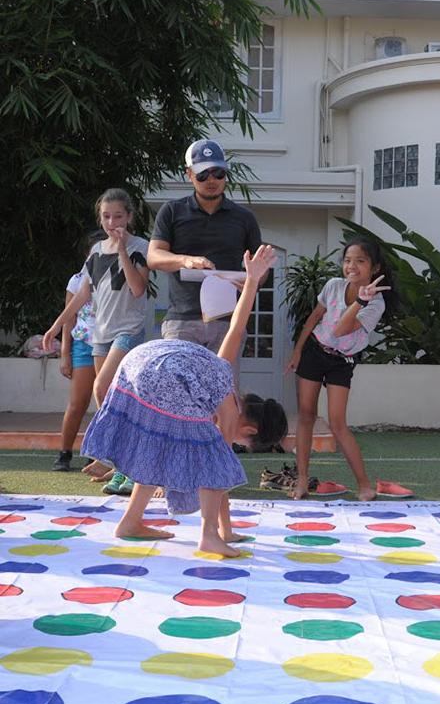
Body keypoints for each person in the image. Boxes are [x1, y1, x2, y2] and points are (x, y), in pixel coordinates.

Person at [78, 245, 287, 557]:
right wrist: (223, 530)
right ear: (252, 431)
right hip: (164, 374)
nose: (238, 445)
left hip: (139, 362)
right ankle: (208, 536)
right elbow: (219, 476)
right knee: (216, 465)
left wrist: (254, 281)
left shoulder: (222, 374)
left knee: (158, 451)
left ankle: (130, 521)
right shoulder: (227, 409)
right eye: (245, 444)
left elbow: (237, 325)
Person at [43, 189, 151, 492]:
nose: (112, 222)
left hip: (128, 331)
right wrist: (55, 327)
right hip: (100, 336)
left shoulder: (141, 246)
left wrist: (121, 251)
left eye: (118, 216)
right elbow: (82, 295)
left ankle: (127, 465)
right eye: (106, 216)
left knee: (102, 387)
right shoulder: (95, 252)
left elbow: (138, 289)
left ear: (129, 216)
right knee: (109, 403)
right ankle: (124, 467)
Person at [286, 236, 398, 502]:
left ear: (375, 268)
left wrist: (361, 300)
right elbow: (314, 318)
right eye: (348, 261)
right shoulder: (334, 285)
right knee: (305, 415)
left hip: (341, 360)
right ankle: (301, 481)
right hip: (315, 350)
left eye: (360, 261)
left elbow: (341, 329)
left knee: (338, 423)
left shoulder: (376, 304)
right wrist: (298, 350)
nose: (352, 267)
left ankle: (364, 485)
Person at [148, 139, 262, 355]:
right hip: (182, 319)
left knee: (223, 388)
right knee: (179, 388)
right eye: (203, 174)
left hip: (227, 320)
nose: (212, 179)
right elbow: (153, 257)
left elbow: (259, 270)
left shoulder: (244, 217)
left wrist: (251, 279)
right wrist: (185, 260)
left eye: (218, 173)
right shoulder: (172, 211)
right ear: (189, 174)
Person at [51, 236, 100, 472]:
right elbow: (69, 317)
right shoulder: (77, 280)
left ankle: (99, 455)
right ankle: (64, 452)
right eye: (94, 253)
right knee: (78, 402)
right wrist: (65, 353)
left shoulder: (117, 278)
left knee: (106, 403)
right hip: (83, 345)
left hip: (110, 344)